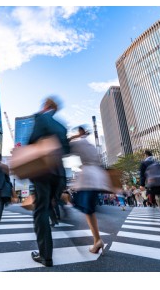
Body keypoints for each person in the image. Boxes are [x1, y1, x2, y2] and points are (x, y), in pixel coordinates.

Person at [28, 96, 70, 267]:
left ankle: (45, 255)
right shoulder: (61, 126)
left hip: (43, 172)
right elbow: (67, 150)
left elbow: (32, 141)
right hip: (58, 174)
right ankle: (46, 253)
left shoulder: (40, 118)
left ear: (46, 105)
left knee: (41, 211)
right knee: (48, 207)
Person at [68, 125, 111, 254]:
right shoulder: (91, 145)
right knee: (89, 210)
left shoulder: (80, 143)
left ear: (81, 132)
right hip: (97, 177)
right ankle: (97, 239)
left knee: (84, 207)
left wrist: (74, 137)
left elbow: (65, 147)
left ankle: (97, 239)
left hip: (88, 179)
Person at [139, 150, 160, 230]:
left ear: (146, 155)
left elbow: (142, 176)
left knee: (150, 195)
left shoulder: (144, 163)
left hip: (152, 184)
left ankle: (153, 206)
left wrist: (142, 185)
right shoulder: (158, 161)